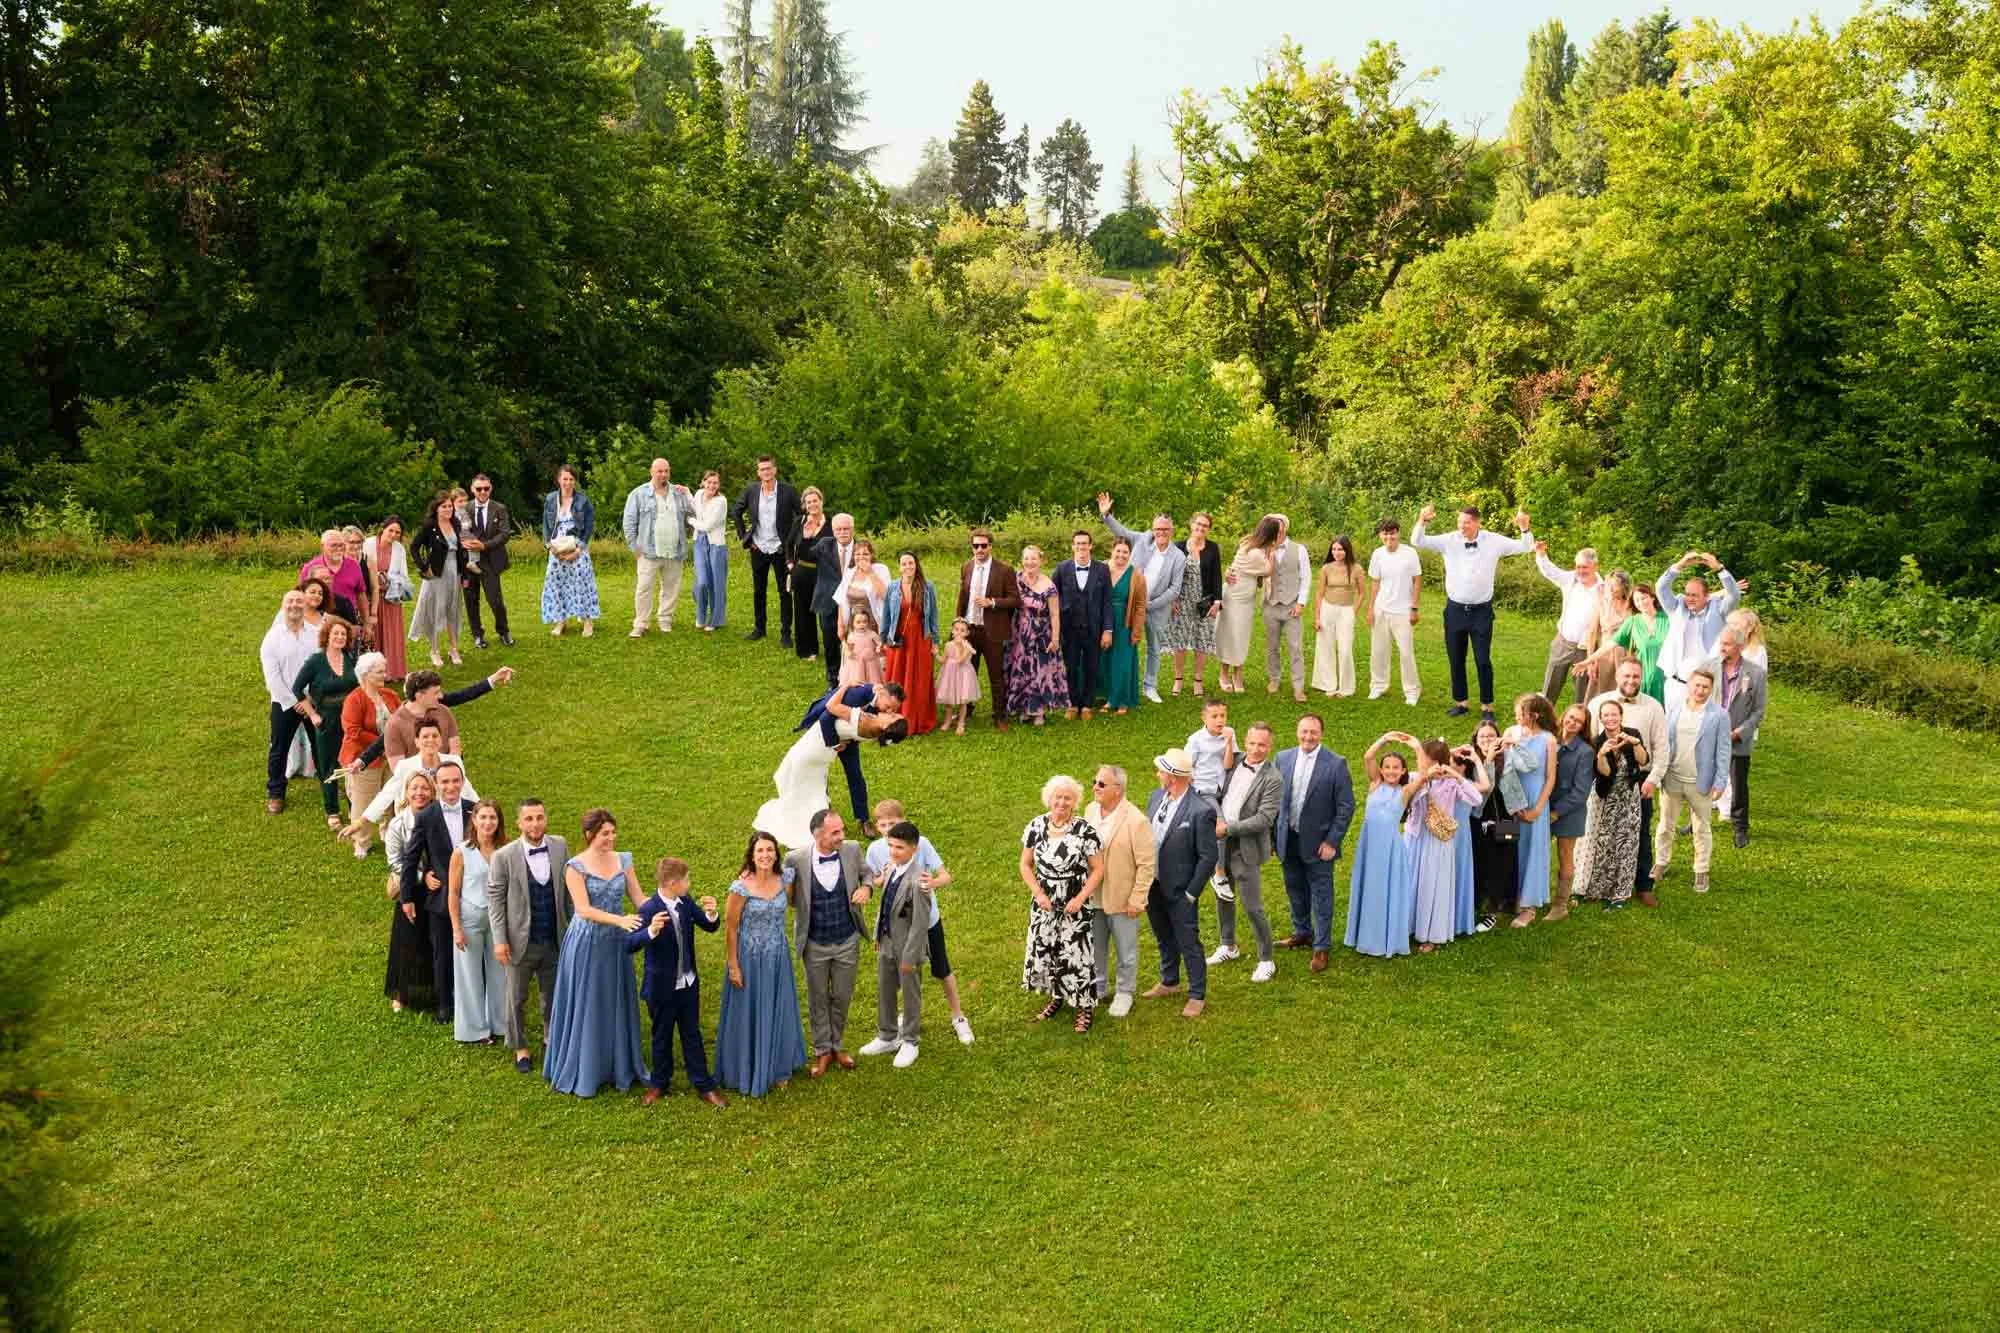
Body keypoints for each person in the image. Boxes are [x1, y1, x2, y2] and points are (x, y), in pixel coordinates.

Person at [543, 808, 648, 1097]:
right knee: (589, 1001)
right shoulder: (575, 867)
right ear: (590, 835)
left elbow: (638, 898)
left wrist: (668, 905)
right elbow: (584, 909)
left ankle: (618, 1065)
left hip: (616, 944)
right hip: (588, 942)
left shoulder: (623, 860)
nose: (611, 839)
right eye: (605, 834)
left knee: (614, 999)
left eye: (613, 833)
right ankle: (586, 1067)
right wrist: (620, 920)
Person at [1410, 502, 1536, 719]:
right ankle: (1461, 702)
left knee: (1483, 659)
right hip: (1455, 610)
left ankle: (1487, 706)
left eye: (1467, 522)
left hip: (1481, 612)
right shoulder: (1449, 540)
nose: (1462, 526)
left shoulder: (1493, 541)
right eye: (1459, 522)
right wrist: (1422, 520)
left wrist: (1524, 528)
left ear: (1478, 523)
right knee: (1456, 658)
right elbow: (1417, 540)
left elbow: (1525, 546)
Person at [865, 799, 975, 1045]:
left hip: (927, 921)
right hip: (898, 926)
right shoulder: (874, 850)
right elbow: (877, 883)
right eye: (882, 825)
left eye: (893, 823)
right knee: (902, 973)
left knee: (941, 968)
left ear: (903, 821)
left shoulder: (920, 843)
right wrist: (882, 877)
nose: (887, 829)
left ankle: (958, 1017)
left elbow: (945, 876)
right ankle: (900, 1022)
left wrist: (932, 883)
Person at [754, 683, 909, 848]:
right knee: (817, 779)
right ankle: (822, 808)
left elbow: (838, 710)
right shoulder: (858, 696)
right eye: (889, 707)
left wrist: (846, 685)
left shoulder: (872, 718)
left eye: (893, 711)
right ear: (883, 694)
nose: (889, 711)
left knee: (854, 776)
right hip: (827, 740)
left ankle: (862, 819)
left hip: (843, 741)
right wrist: (834, 743)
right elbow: (826, 718)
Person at [626, 857, 727, 1108]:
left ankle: (704, 1084)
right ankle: (659, 1083)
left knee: (692, 1034)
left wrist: (712, 913)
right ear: (672, 883)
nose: (689, 884)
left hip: (688, 984)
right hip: (661, 988)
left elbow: (708, 926)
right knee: (661, 1036)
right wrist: (651, 931)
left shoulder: (685, 902)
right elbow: (629, 943)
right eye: (686, 880)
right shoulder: (649, 909)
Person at [716, 831, 808, 1095]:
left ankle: (779, 1065)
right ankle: (748, 1066)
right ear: (752, 855)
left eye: (770, 850)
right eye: (760, 851)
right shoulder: (740, 887)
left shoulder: (785, 880)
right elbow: (731, 929)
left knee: (779, 1007)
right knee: (750, 1011)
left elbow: (791, 904)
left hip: (777, 956)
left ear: (776, 854)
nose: (766, 855)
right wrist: (733, 966)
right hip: (749, 958)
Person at [486, 796, 571, 1073]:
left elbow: (568, 892)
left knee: (552, 994)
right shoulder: (504, 856)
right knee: (516, 998)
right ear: (519, 823)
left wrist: (572, 927)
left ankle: (550, 1039)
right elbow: (496, 901)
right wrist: (500, 940)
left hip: (553, 937)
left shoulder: (560, 846)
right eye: (529, 819)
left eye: (540, 817)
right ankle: (520, 1046)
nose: (535, 824)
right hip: (518, 941)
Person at [784, 809, 868, 1079]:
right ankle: (822, 1050)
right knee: (818, 998)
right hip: (815, 943)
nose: (842, 836)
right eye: (836, 832)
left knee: (842, 996)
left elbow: (868, 875)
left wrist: (866, 888)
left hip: (847, 939)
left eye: (842, 830)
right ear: (817, 834)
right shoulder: (795, 859)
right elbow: (787, 896)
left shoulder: (853, 850)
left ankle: (838, 1046)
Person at [1273, 713, 1357, 972]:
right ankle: (1302, 932)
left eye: (1313, 732)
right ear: (1297, 732)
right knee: (1294, 888)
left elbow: (1346, 807)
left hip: (1320, 843)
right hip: (1289, 838)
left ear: (1321, 734)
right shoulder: (1283, 758)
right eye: (1304, 732)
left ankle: (1321, 947)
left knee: (1321, 895)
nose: (1308, 737)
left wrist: (1332, 841)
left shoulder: (1336, 764)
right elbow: (1275, 799)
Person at [1020, 775, 1104, 1033]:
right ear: (1049, 798)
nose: (1062, 802)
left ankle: (1084, 1008)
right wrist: (1038, 893)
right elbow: (1025, 864)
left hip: (1074, 901)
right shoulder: (1036, 826)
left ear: (1075, 801)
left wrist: (1080, 899)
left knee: (1077, 954)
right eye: (1058, 797)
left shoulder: (1085, 831)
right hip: (1045, 902)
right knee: (1049, 949)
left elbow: (1098, 869)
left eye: (1068, 798)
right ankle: (1056, 997)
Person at [1139, 749, 1219, 1017]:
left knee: (1188, 941)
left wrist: (1191, 893)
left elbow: (1208, 857)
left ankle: (1197, 994)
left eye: (1161, 771)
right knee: (1163, 935)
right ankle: (1169, 980)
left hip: (1180, 889)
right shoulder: (1156, 796)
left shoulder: (1201, 811)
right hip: (1153, 884)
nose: (1157, 775)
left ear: (1173, 777)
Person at [1587, 658, 1670, 906]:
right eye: (1626, 676)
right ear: (1617, 677)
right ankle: (1600, 883)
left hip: (1638, 779)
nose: (1631, 681)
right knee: (1602, 833)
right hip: (1605, 777)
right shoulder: (1598, 703)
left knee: (1641, 832)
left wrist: (1653, 780)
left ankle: (1643, 885)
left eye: (1636, 676)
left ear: (1641, 678)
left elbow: (1662, 748)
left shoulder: (1653, 707)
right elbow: (1589, 741)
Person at [399, 759, 474, 1024]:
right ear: (437, 785)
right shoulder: (426, 816)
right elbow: (410, 857)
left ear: (462, 783)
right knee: (442, 952)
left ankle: (473, 1000)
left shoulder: (475, 811)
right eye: (445, 782)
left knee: (474, 950)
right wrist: (406, 896)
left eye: (455, 781)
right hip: (441, 896)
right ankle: (445, 1003)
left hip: (475, 894)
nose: (451, 786)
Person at [854, 820, 934, 1069]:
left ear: (913, 848)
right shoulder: (890, 869)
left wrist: (910, 957)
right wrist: (879, 936)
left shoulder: (919, 880)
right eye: (891, 846)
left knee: (910, 993)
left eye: (899, 847)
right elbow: (884, 906)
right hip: (887, 942)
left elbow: (920, 924)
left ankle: (910, 1040)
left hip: (907, 947)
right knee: (885, 989)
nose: (893, 852)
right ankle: (887, 1035)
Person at [1096, 494, 1186, 703]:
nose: (1160, 533)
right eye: (1157, 529)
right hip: (1128, 605)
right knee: (1123, 644)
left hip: (1157, 608)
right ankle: (1115, 685)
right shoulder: (1142, 539)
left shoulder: (1178, 557)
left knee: (1154, 649)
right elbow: (1121, 532)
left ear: (1171, 531)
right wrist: (1106, 514)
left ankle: (1150, 686)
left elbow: (1174, 589)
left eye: (1165, 529)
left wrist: (1149, 605)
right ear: (1153, 530)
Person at [1210, 721, 1283, 980]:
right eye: (1252, 743)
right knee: (1223, 896)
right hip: (1220, 843)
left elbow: (1264, 819)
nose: (1255, 749)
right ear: (1246, 740)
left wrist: (1227, 828)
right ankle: (1228, 945)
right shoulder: (1234, 761)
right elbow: (1214, 791)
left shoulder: (1273, 778)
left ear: (1270, 746)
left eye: (1262, 745)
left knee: (1253, 906)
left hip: (1246, 848)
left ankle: (1266, 959)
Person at [1653, 667, 1731, 894]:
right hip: (1673, 778)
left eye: (1705, 687)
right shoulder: (1674, 710)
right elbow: (1664, 743)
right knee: (1665, 825)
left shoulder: (1719, 716)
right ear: (1689, 686)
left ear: (1711, 689)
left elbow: (1724, 751)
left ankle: (1701, 870)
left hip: (1701, 781)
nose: (1700, 690)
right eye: (1697, 685)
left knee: (1701, 828)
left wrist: (1720, 781)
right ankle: (1661, 863)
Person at [1083, 766, 1153, 1018]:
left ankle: (1125, 992)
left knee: (1126, 949)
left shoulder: (1137, 821)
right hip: (1093, 894)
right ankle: (1098, 986)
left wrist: (1137, 899)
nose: (1095, 787)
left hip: (1123, 898)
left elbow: (1147, 865)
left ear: (1118, 789)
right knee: (1095, 945)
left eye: (1101, 784)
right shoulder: (1091, 811)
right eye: (1095, 782)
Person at [1405, 738, 1487, 951]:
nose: (1420, 762)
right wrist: (1424, 779)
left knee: (1433, 886)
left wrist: (1456, 776)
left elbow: (1477, 798)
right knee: (1412, 882)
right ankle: (1408, 926)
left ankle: (1431, 934)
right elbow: (1405, 801)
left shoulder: (1451, 783)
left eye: (1425, 759)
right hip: (1415, 838)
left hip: (1438, 842)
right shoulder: (1415, 777)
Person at [356, 665, 514, 770]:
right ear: (419, 696)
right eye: (436, 692)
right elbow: (383, 741)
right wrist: (362, 760)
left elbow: (464, 695)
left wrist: (492, 679)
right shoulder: (398, 721)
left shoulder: (439, 707)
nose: (440, 696)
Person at [1574, 700, 1650, 909]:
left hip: (1629, 797)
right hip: (1605, 798)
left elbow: (1644, 761)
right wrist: (1602, 754)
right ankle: (1598, 889)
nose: (1610, 718)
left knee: (1627, 844)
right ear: (1600, 719)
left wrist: (1635, 744)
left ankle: (1620, 894)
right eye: (1606, 715)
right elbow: (1604, 774)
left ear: (1620, 716)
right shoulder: (1596, 742)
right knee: (1603, 844)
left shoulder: (1632, 734)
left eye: (1614, 714)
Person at [1346, 735, 1416, 958]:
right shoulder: (1375, 784)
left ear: (1404, 771)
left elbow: (1423, 774)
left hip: (1390, 847)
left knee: (1386, 889)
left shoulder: (1405, 792)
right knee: (1369, 888)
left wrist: (1414, 745)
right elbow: (1368, 756)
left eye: (1396, 768)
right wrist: (1384, 739)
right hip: (1370, 844)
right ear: (1381, 770)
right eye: (1387, 767)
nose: (1391, 771)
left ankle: (1385, 938)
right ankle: (1364, 936)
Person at [446, 799, 509, 1045]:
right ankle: (473, 1030)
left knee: (500, 974)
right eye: (483, 817)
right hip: (470, 919)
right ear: (474, 820)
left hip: (498, 921)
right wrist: (456, 928)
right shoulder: (461, 852)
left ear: (498, 821)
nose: (488, 822)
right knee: (469, 976)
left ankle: (501, 1023)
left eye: (492, 817)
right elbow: (453, 892)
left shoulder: (505, 850)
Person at [292, 616, 360, 830]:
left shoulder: (350, 658)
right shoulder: (316, 661)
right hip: (327, 719)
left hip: (349, 718)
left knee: (351, 762)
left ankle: (353, 806)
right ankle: (332, 810)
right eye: (336, 634)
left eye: (343, 634)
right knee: (328, 764)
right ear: (327, 637)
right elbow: (297, 689)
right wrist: (312, 714)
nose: (340, 637)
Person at [1654, 551, 1742, 711]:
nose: (1689, 598)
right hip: (1677, 682)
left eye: (1694, 595)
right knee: (1673, 728)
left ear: (1707, 596)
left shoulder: (1718, 609)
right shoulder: (1677, 607)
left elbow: (1734, 594)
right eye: (1687, 594)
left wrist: (1719, 569)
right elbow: (1661, 587)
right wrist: (1680, 565)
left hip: (1707, 685)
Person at [382, 770, 439, 1015]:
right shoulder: (397, 824)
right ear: (406, 793)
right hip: (411, 890)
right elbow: (395, 862)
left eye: (424, 788)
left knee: (432, 941)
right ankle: (402, 994)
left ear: (432, 792)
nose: (419, 793)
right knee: (406, 943)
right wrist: (421, 877)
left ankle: (433, 990)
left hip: (437, 888)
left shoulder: (440, 818)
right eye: (414, 788)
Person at [729, 455, 802, 644]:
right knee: (758, 590)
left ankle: (786, 633)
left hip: (781, 549)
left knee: (784, 591)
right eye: (762, 469)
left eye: (769, 468)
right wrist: (745, 536)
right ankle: (759, 629)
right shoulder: (752, 491)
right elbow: (736, 510)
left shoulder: (788, 491)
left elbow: (802, 515)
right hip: (758, 547)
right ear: (758, 472)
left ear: (775, 470)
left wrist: (792, 539)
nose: (766, 472)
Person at [1707, 627, 1768, 850]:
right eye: (1721, 643)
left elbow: (1759, 711)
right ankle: (1696, 822)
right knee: (1703, 778)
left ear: (1740, 647)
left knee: (1739, 783)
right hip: (1710, 733)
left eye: (1727, 644)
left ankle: (1740, 828)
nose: (1722, 647)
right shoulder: (1709, 667)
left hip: (1738, 739)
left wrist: (1740, 732)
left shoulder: (1756, 674)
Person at [260, 590, 321, 814]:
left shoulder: (316, 634)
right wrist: (296, 701)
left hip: (313, 700)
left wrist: (311, 699)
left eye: (299, 601)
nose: (294, 605)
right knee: (279, 749)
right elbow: (272, 678)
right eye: (290, 601)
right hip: (284, 703)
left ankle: (328, 782)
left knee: (321, 744)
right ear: (283, 606)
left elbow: (321, 669)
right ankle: (276, 793)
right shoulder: (272, 638)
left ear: (305, 605)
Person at [621, 458, 694, 637]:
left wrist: (690, 494)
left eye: (666, 471)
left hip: (674, 550)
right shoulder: (638, 494)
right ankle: (641, 623)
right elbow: (629, 522)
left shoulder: (679, 493)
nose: (663, 475)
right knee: (644, 588)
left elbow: (693, 514)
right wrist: (634, 546)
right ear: (651, 472)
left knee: (671, 587)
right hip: (648, 551)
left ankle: (665, 619)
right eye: (660, 471)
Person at [338, 653, 399, 858]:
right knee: (363, 801)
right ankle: (362, 841)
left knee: (390, 798)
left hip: (389, 757)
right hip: (363, 759)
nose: (385, 674)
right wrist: (380, 744)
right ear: (365, 675)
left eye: (384, 670)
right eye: (379, 671)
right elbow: (353, 731)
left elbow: (399, 720)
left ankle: (388, 833)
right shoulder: (354, 699)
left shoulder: (390, 695)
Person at [959, 528, 1021, 730]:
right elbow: (963, 596)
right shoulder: (966, 567)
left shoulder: (1005, 570)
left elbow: (1015, 600)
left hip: (992, 631)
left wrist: (992, 602)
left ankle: (999, 715)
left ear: (990, 546)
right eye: (975, 545)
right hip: (970, 630)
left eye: (983, 545)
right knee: (968, 672)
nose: (979, 549)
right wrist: (959, 623)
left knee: (996, 676)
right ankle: (966, 711)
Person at [1505, 693, 1558, 927]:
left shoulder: (1548, 740)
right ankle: (1512, 895)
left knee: (1532, 848)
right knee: (1511, 845)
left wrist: (1538, 809)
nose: (1517, 715)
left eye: (1521, 711)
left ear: (1534, 715)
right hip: (1512, 795)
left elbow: (1550, 778)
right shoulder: (1510, 732)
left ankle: (1529, 906)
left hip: (1536, 795)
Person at [1003, 545, 1066, 726]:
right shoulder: (1015, 579)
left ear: (1041, 561)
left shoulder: (1049, 585)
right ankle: (1024, 708)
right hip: (1018, 633)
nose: (1029, 562)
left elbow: (1055, 614)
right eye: (1026, 558)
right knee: (1021, 670)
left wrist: (1055, 639)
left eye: (1033, 559)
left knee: (1039, 671)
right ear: (1022, 560)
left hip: (1041, 633)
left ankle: (1038, 711)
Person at [1533, 543, 1602, 707]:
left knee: (1583, 693)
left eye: (1584, 567)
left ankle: (1581, 727)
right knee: (1550, 688)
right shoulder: (1570, 579)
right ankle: (1544, 723)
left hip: (1586, 649)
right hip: (1563, 642)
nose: (1580, 571)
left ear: (1595, 566)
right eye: (1578, 566)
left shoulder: (1604, 588)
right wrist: (1541, 554)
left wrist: (1595, 656)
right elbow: (1551, 572)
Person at [1216, 516, 1280, 693]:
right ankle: (1224, 674)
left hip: (1244, 596)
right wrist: (1272, 555)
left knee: (1241, 635)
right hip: (1236, 595)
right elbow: (1268, 571)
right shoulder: (1255, 552)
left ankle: (1237, 673)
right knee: (1230, 634)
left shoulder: (1250, 544)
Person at [1546, 703, 1598, 921]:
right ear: (1564, 716)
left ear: (1583, 727)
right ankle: (1534, 897)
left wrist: (1557, 812)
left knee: (1565, 856)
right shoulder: (1550, 740)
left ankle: (1560, 905)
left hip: (1569, 811)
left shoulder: (1585, 752)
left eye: (1578, 721)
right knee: (1538, 854)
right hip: (1543, 807)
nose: (1572, 722)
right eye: (1571, 717)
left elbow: (1581, 791)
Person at [1578, 581, 1669, 704]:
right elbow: (1610, 644)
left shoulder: (1668, 618)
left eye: (1644, 598)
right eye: (1637, 600)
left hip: (1666, 677)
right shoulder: (1632, 622)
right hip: (1642, 677)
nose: (1641, 603)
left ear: (1652, 597)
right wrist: (1588, 661)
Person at [882, 551, 939, 736]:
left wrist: (935, 641)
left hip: (920, 639)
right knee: (897, 678)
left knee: (919, 679)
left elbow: (934, 616)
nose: (908, 567)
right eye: (904, 563)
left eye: (911, 563)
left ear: (916, 565)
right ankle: (894, 718)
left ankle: (917, 719)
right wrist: (884, 638)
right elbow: (887, 615)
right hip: (899, 639)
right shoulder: (892, 587)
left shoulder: (927, 587)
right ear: (899, 567)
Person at [1366, 518, 1423, 705]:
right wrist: (1371, 608)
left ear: (1398, 533)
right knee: (1379, 650)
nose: (1389, 537)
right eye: (1385, 533)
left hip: (1403, 611)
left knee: (1406, 652)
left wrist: (1414, 608)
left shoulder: (1410, 553)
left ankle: (1412, 691)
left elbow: (1417, 580)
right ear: (1380, 535)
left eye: (1392, 533)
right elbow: (1375, 582)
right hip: (1381, 608)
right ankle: (1378, 685)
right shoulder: (1377, 554)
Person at [1166, 510, 1223, 696]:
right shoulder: (1178, 547)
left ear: (1208, 529)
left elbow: (1216, 576)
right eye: (1198, 524)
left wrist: (1217, 602)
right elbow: (1170, 575)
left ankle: (1198, 680)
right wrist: (1172, 598)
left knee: (1202, 640)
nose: (1200, 528)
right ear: (1191, 525)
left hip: (1204, 601)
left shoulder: (1212, 548)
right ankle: (1178, 680)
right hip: (1181, 600)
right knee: (1180, 641)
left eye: (1205, 526)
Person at [1468, 719, 1518, 932]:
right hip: (1480, 819)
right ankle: (1481, 904)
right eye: (1483, 736)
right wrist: (1487, 760)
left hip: (1506, 819)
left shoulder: (1507, 758)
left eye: (1491, 735)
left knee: (1504, 862)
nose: (1487, 739)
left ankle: (1495, 908)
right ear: (1476, 741)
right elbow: (1484, 790)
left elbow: (1532, 763)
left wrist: (1515, 745)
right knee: (1483, 862)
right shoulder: (1470, 762)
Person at [1056, 530, 1112, 720]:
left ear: (1090, 546)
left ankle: (1087, 704)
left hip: (1093, 629)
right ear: (1072, 546)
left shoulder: (1102, 570)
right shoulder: (1061, 569)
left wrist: (1107, 630)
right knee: (1070, 666)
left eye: (1084, 543)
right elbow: (1052, 598)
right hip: (1069, 629)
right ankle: (1071, 704)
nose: (1081, 547)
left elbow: (1107, 601)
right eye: (1077, 543)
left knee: (1092, 666)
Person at [540, 463, 600, 637]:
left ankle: (588, 623)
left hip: (577, 546)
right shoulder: (551, 499)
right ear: (559, 480)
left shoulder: (583, 501)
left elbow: (588, 527)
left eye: (571, 479)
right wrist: (549, 545)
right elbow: (545, 524)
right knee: (556, 584)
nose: (567, 482)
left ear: (575, 481)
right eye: (564, 479)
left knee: (583, 582)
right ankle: (561, 621)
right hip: (557, 547)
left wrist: (578, 550)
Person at [407, 491, 465, 667]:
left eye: (449, 506)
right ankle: (434, 650)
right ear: (436, 509)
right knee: (436, 610)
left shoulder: (455, 523)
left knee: (452, 610)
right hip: (436, 574)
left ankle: (454, 649)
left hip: (455, 570)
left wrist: (464, 571)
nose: (448, 509)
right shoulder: (429, 526)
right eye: (444, 506)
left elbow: (460, 548)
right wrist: (424, 567)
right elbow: (414, 547)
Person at [459, 473, 514, 649]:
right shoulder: (463, 508)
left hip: (490, 560)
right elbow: (456, 532)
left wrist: (484, 546)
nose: (483, 492)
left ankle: (503, 631)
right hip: (468, 562)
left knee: (495, 600)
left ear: (491, 488)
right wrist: (465, 544)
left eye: (486, 488)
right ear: (472, 489)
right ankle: (477, 635)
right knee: (471, 599)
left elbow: (505, 534)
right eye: (479, 489)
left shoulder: (500, 508)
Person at [1262, 516, 1312, 703]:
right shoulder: (1264, 549)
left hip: (1292, 605)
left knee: (1295, 646)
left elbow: (1306, 578)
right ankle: (1274, 679)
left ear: (1285, 527)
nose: (1277, 527)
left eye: (1280, 523)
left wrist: (1301, 603)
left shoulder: (1300, 550)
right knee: (1272, 646)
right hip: (1271, 604)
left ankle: (1298, 687)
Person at [1311, 535, 1368, 698]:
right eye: (1334, 549)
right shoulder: (1326, 568)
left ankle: (1346, 687)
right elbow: (1319, 593)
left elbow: (1362, 592)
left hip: (1346, 610)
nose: (1337, 552)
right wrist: (1317, 616)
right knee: (1326, 646)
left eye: (1340, 549)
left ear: (1347, 550)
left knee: (1345, 649)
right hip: (1328, 609)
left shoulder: (1356, 568)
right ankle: (1328, 684)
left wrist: (1353, 611)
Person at [1099, 537, 1148, 715]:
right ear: (1112, 551)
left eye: (1125, 552)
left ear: (1130, 554)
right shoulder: (1101, 569)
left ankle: (1121, 700)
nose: (1121, 555)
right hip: (1103, 620)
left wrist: (1136, 630)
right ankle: (1106, 695)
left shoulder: (1136, 575)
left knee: (1122, 661)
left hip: (1124, 622)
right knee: (1104, 660)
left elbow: (1141, 605)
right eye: (1118, 551)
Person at [806, 512, 856, 687]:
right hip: (827, 600)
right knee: (829, 640)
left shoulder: (861, 548)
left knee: (855, 639)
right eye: (839, 529)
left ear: (853, 530)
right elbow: (806, 556)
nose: (842, 532)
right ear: (833, 531)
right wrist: (807, 537)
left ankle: (853, 675)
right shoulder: (824, 545)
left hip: (853, 601)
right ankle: (833, 678)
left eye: (846, 529)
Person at [785, 487, 830, 662]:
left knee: (825, 612)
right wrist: (790, 564)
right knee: (803, 612)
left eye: (815, 500)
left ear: (821, 501)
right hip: (802, 571)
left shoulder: (831, 523)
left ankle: (831, 648)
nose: (812, 504)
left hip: (824, 574)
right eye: (808, 502)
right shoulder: (799, 521)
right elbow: (788, 544)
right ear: (804, 505)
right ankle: (807, 650)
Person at [366, 516, 412, 680]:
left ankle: (393, 671)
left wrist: (390, 580)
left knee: (392, 634)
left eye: (397, 532)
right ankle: (373, 671)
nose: (393, 535)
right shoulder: (369, 544)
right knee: (374, 633)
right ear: (383, 529)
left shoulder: (399, 549)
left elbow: (404, 574)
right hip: (372, 596)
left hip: (390, 596)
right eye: (390, 530)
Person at [1581, 570, 1637, 699]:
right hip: (1605, 654)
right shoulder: (1602, 603)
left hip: (1627, 653)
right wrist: (1591, 661)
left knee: (1625, 691)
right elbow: (1592, 631)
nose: (1610, 589)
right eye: (1608, 585)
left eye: (1614, 585)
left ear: (1624, 586)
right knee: (1600, 692)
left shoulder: (1634, 604)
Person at [301, 528, 368, 630]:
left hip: (348, 619)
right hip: (317, 623)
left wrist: (366, 623)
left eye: (341, 545)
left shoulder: (353, 565)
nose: (339, 548)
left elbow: (361, 594)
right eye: (334, 545)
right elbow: (302, 595)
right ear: (322, 546)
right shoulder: (310, 567)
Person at [690, 469, 731, 632]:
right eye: (709, 482)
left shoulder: (721, 501)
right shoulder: (698, 494)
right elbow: (691, 508)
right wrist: (685, 491)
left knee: (717, 583)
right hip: (699, 542)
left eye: (715, 483)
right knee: (701, 582)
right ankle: (700, 616)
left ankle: (716, 619)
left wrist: (692, 521)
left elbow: (707, 526)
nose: (712, 485)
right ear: (703, 482)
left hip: (716, 545)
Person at [835, 538, 890, 646]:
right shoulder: (849, 572)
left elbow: (886, 596)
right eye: (857, 554)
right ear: (853, 556)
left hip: (874, 623)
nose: (861, 557)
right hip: (854, 624)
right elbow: (841, 600)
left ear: (871, 555)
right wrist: (840, 625)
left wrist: (870, 572)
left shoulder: (881, 569)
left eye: (865, 554)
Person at [1184, 700, 1237, 802]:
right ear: (1204, 718)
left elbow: (1228, 766)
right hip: (1203, 788)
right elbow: (1186, 766)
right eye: (1214, 716)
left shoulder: (1229, 733)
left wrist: (1229, 742)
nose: (1220, 720)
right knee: (1218, 817)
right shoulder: (1196, 739)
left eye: (1223, 716)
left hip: (1224, 787)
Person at [936, 618, 981, 735]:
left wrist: (962, 647)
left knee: (963, 701)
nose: (959, 632)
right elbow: (943, 660)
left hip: (963, 675)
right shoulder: (948, 645)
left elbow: (960, 660)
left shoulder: (967, 646)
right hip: (950, 675)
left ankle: (961, 722)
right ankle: (947, 721)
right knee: (949, 701)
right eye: (956, 630)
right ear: (952, 631)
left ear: (967, 633)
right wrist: (936, 653)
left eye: (962, 630)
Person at [838, 607, 885, 689]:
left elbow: (880, 643)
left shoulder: (872, 634)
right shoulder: (852, 636)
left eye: (864, 622)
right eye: (858, 622)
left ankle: (872, 692)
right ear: (853, 623)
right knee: (858, 681)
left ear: (868, 622)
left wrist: (878, 647)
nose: (862, 624)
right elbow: (848, 648)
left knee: (873, 681)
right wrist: (849, 653)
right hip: (856, 663)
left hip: (871, 663)